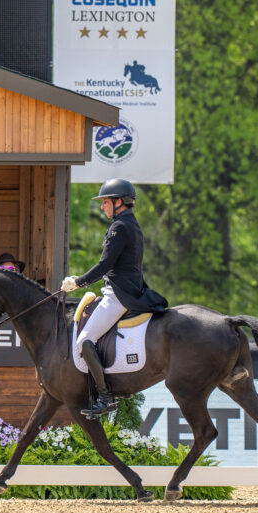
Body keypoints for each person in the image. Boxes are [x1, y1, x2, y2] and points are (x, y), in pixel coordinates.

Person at [60, 178, 168, 419]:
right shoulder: (130, 223)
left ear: (119, 202)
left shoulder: (120, 227)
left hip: (119, 294)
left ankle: (106, 398)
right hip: (124, 288)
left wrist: (77, 282)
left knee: (84, 340)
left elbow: (104, 265)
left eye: (105, 202)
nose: (102, 207)